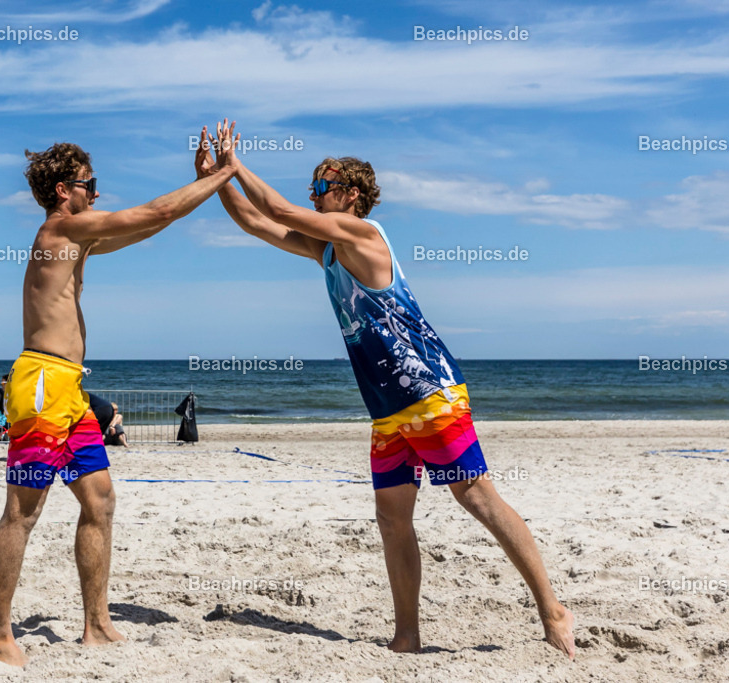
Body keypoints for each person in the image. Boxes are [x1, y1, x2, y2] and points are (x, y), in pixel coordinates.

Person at [200, 120, 576, 660]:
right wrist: (217, 180)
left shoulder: (364, 234)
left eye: (323, 186)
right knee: (392, 519)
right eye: (312, 187)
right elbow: (258, 223)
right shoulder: (328, 251)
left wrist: (235, 164)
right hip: (387, 408)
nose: (314, 194)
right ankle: (407, 636)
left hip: (429, 392)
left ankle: (552, 609)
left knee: (476, 497)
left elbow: (278, 209)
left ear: (352, 194)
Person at [0, 139, 237, 667]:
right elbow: (156, 210)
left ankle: (96, 624)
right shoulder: (60, 231)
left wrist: (204, 185)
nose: (97, 193)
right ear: (63, 191)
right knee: (22, 512)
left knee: (99, 501)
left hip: (70, 388)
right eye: (90, 185)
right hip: (43, 384)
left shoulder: (78, 237)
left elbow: (147, 226)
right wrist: (224, 174)